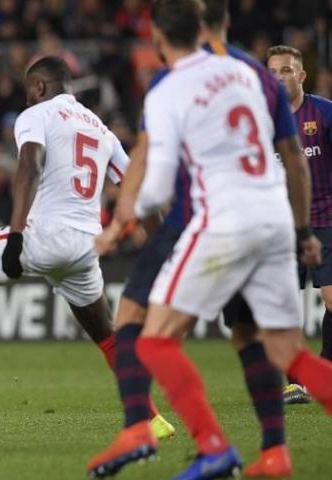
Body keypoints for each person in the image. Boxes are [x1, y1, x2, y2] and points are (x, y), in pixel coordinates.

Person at [94, 1, 332, 478]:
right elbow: (294, 158)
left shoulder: (169, 86)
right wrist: (304, 230)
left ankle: (207, 444)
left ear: (159, 39)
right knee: (286, 351)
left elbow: (158, 184)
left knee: (153, 340)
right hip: (276, 222)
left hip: (220, 220)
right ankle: (276, 454)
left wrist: (122, 222)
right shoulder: (253, 75)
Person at [0, 55, 174, 437]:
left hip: (44, 235)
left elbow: (29, 166)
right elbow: (142, 193)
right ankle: (152, 417)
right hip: (85, 247)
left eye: (27, 92)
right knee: (105, 333)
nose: (27, 100)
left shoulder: (38, 114)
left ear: (39, 87)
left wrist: (16, 236)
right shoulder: (102, 130)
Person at [267, 44, 332, 405]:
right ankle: (297, 382)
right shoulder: (261, 121)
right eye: (273, 72)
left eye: (286, 70)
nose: (279, 78)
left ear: (302, 75)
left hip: (326, 220)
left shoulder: (324, 113)